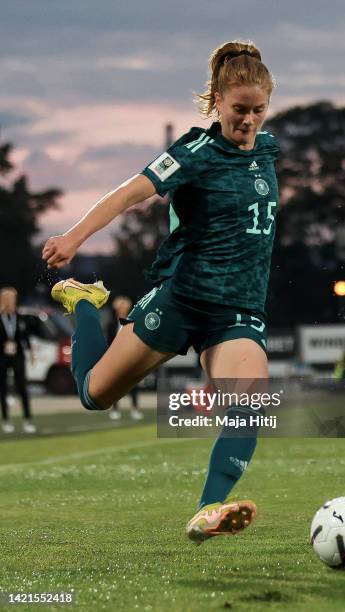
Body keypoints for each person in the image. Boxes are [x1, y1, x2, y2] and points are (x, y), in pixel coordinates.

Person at [42, 40, 279, 544]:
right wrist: (73, 239)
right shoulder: (194, 153)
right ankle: (85, 304)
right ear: (217, 100)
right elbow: (129, 194)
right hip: (181, 299)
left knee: (249, 407)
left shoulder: (267, 151)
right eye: (240, 110)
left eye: (259, 110)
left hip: (237, 310)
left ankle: (207, 510)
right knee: (95, 395)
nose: (249, 121)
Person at [0, 287, 36, 434]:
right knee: (2, 388)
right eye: (8, 299)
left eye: (13, 299)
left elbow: (25, 336)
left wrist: (31, 352)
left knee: (22, 387)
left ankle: (27, 419)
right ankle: (6, 420)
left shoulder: (20, 317)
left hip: (18, 355)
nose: (11, 302)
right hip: (1, 356)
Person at [107, 296, 144, 421]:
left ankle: (135, 409)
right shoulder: (111, 325)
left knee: (133, 386)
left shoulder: (133, 322)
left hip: (130, 359)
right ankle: (115, 409)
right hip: (115, 359)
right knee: (115, 386)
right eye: (119, 308)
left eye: (123, 308)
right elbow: (108, 343)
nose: (121, 310)